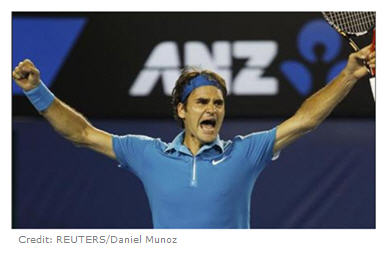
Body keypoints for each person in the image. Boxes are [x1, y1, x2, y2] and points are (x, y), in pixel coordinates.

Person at [12, 45, 375, 229]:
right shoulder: (147, 153)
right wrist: (36, 91)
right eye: (202, 102)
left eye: (218, 103)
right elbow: (82, 134)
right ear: (182, 111)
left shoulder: (245, 152)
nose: (212, 110)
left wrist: (349, 75)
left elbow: (304, 121)